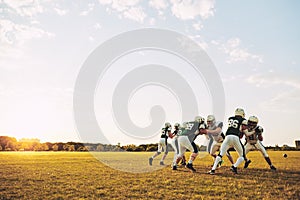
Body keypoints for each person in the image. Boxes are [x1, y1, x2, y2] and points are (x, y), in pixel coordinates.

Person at [206, 108, 246, 175]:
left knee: (220, 154)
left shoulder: (230, 118)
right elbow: (244, 127)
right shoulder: (243, 120)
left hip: (227, 137)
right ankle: (234, 166)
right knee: (242, 156)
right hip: (235, 136)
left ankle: (213, 170)